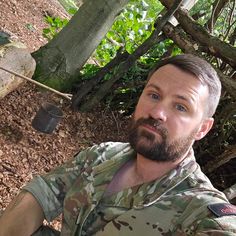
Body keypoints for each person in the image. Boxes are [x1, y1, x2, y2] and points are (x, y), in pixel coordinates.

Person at [0, 54, 236, 236]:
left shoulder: (198, 209)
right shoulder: (102, 156)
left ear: (203, 128)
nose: (157, 112)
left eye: (181, 107)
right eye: (154, 95)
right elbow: (42, 193)